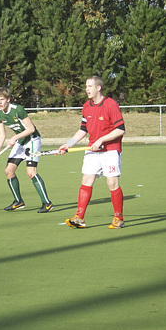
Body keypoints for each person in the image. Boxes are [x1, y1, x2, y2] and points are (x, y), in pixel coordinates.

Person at [59, 75, 126, 229]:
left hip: (110, 149)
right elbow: (83, 130)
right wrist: (67, 144)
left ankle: (119, 218)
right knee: (86, 181)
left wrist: (101, 140)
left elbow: (120, 130)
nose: (86, 89)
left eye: (90, 86)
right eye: (86, 86)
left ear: (98, 87)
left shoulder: (110, 104)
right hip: (92, 149)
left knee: (112, 182)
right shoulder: (86, 106)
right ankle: (79, 217)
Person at [0, 87, 53, 213]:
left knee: (31, 172)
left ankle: (47, 203)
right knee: (9, 171)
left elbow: (31, 128)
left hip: (32, 139)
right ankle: (18, 201)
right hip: (21, 142)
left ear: (8, 99)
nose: (0, 102)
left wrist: (15, 137)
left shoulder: (18, 110)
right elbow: (1, 135)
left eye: (2, 99)